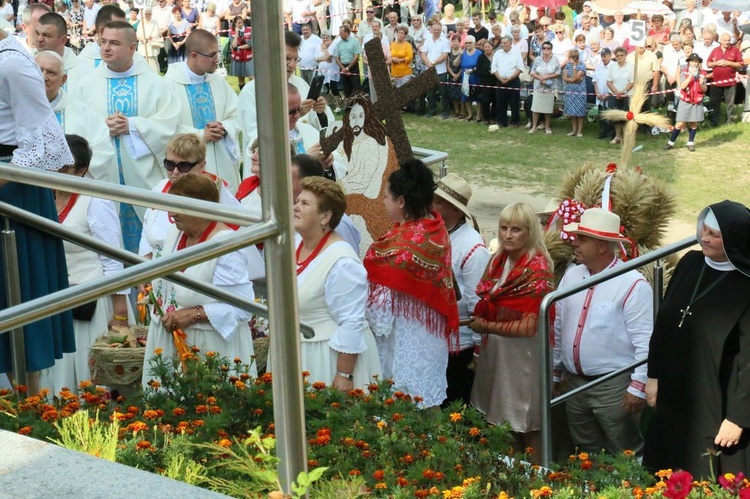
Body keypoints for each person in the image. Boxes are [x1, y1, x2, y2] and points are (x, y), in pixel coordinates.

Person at [644, 200, 750, 478]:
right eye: (703, 229)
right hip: (675, 396)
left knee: (709, 477)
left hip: (718, 402)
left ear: (735, 239)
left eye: (714, 235)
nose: (704, 237)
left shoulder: (745, 285)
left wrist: (739, 417)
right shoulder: (691, 263)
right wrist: (653, 375)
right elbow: (664, 323)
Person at [0, 30, 75, 393]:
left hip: (14, 190)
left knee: (19, 296)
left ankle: (29, 408)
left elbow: (43, 140)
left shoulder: (14, 64)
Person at [71, 21, 179, 253]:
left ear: (132, 48)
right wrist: (103, 128)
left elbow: (170, 125)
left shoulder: (156, 85)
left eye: (114, 43)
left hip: (144, 178)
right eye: (103, 42)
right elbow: (76, 128)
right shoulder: (85, 86)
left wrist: (133, 126)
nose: (106, 48)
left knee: (149, 242)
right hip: (103, 178)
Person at [553, 208, 653, 455]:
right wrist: (555, 372)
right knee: (585, 450)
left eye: (582, 239)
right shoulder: (571, 275)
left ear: (602, 246)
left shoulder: (633, 284)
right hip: (575, 383)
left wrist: (637, 387)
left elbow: (646, 341)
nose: (574, 243)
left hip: (613, 385)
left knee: (624, 450)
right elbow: (559, 326)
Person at [142, 173, 256, 383]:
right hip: (169, 345)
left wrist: (192, 315)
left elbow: (242, 307)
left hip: (209, 350)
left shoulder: (226, 247)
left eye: (179, 206)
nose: (171, 213)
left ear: (203, 207)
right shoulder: (176, 234)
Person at [364, 159, 459, 409]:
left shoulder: (408, 242)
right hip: (423, 333)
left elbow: (380, 306)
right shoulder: (435, 228)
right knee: (422, 403)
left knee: (413, 405)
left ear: (402, 201)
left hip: (410, 336)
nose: (382, 201)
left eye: (386, 196)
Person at [39, 134, 129, 394]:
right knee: (59, 377)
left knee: (92, 378)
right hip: (56, 301)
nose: (56, 172)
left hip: (92, 304)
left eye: (64, 167)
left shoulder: (96, 201)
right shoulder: (44, 198)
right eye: (52, 164)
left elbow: (112, 257)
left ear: (82, 171)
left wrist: (120, 313)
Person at [470, 202, 553, 462]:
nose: (507, 235)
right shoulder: (499, 259)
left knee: (526, 423)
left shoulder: (538, 270)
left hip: (523, 356)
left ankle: (538, 479)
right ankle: (509, 474)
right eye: (504, 228)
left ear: (530, 232)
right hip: (497, 351)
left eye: (516, 229)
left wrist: (485, 327)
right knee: (499, 421)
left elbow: (529, 326)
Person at [290, 176, 381, 390]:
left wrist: (343, 376)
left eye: (304, 203)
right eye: (297, 201)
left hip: (324, 361)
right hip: (299, 354)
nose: (295, 207)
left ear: (325, 216)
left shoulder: (342, 262)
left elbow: (351, 322)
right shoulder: (296, 243)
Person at [138, 133, 245, 259]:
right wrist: (146, 261)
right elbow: (146, 227)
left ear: (201, 166)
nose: (175, 172)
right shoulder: (160, 187)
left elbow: (234, 240)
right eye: (170, 165)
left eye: (183, 166)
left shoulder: (217, 195)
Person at [432, 174, 489, 406]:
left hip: (460, 345)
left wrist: (477, 350)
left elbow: (478, 304)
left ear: (453, 209)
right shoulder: (436, 233)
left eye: (438, 201)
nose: (431, 205)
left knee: (454, 405)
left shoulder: (473, 247)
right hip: (438, 339)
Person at [164, 29, 240, 191]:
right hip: (188, 165)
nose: (216, 60)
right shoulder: (169, 85)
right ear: (193, 55)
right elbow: (165, 126)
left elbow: (237, 114)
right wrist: (201, 135)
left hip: (222, 159)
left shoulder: (219, 82)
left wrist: (224, 128)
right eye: (211, 55)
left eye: (217, 54)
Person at [238, 30, 334, 159]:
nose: (292, 65)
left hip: (307, 162)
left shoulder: (300, 84)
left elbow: (319, 128)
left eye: (296, 59)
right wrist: (294, 115)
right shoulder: (253, 91)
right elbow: (256, 137)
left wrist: (320, 112)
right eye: (287, 58)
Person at [35, 51, 115, 183]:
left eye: (51, 72)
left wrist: (68, 173)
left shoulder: (83, 114)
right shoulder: (12, 109)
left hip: (69, 189)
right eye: (38, 70)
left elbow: (102, 152)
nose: (43, 77)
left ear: (63, 80)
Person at [664, 53, 707, 152]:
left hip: (696, 100)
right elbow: (683, 86)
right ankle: (671, 142)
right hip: (685, 100)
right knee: (680, 123)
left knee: (694, 122)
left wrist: (701, 83)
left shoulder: (702, 74)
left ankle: (690, 143)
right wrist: (691, 75)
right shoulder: (684, 72)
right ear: (689, 62)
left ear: (698, 63)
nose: (694, 63)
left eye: (696, 61)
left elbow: (704, 89)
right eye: (692, 61)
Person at [707, 32, 742, 126]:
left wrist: (729, 63)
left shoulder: (735, 50)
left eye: (728, 40)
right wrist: (717, 63)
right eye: (725, 40)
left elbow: (740, 64)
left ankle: (729, 120)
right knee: (714, 102)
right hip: (715, 81)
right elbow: (708, 64)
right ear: (720, 41)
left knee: (730, 103)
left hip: (730, 82)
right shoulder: (715, 50)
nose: (727, 42)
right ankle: (714, 122)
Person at [492, 35, 524, 128]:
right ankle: (501, 121)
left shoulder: (516, 53)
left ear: (510, 43)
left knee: (514, 102)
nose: (503, 44)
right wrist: (500, 78)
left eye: (505, 43)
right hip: (500, 80)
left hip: (513, 81)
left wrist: (510, 78)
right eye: (502, 43)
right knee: (500, 102)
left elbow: (520, 68)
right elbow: (494, 68)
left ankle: (515, 122)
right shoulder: (497, 53)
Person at [421, 20, 451, 119]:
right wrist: (427, 63)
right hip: (429, 70)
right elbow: (423, 53)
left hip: (441, 71)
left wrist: (433, 63)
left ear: (441, 30)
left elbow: (445, 55)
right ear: (431, 30)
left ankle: (445, 112)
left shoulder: (445, 41)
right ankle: (431, 111)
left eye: (438, 29)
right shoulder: (427, 40)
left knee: (443, 92)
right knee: (430, 92)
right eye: (435, 29)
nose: (436, 31)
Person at [529, 41, 560, 134]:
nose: (546, 50)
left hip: (549, 88)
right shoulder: (537, 59)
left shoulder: (555, 59)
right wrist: (540, 78)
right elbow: (532, 72)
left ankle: (547, 126)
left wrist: (546, 77)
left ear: (551, 49)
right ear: (542, 49)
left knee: (547, 109)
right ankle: (534, 126)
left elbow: (558, 72)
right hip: (538, 86)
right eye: (544, 48)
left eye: (548, 48)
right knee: (535, 108)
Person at [607, 47, 634, 145]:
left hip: (627, 95)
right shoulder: (612, 66)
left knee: (626, 117)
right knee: (616, 117)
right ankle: (618, 136)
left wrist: (623, 92)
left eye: (621, 55)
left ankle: (626, 137)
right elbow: (609, 81)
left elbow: (632, 82)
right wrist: (616, 92)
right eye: (617, 55)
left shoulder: (631, 66)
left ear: (625, 55)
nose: (619, 57)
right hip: (615, 95)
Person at [562, 48, 587, 137]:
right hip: (570, 90)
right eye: (570, 56)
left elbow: (576, 77)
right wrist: (573, 80)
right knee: (572, 112)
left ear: (577, 57)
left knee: (579, 112)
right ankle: (574, 130)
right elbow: (565, 78)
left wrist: (574, 67)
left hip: (579, 91)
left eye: (573, 56)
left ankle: (579, 131)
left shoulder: (582, 65)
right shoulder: (567, 65)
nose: (571, 58)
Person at [136, 8, 163, 73]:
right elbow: (138, 33)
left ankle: (155, 76)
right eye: (146, 14)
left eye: (149, 14)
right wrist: (141, 39)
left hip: (151, 45)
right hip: (142, 45)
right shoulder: (141, 23)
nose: (147, 15)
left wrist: (147, 38)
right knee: (143, 62)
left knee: (153, 63)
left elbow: (155, 33)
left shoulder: (154, 22)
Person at [228, 16, 252, 90]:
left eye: (241, 22)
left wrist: (238, 47)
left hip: (248, 57)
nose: (240, 24)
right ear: (235, 23)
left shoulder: (249, 30)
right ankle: (243, 94)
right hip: (238, 58)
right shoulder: (231, 32)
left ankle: (253, 93)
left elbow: (250, 44)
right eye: (238, 23)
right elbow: (233, 45)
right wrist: (236, 34)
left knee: (252, 77)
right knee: (240, 78)